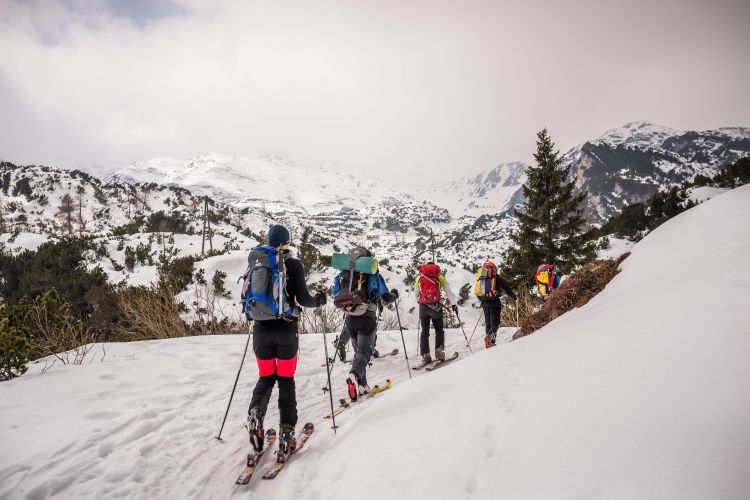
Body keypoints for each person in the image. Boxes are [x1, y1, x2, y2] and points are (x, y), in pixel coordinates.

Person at [246, 224, 326, 461]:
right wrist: (319, 300)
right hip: (286, 332)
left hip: (260, 331)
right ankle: (287, 434)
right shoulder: (294, 264)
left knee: (266, 378)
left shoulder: (257, 263)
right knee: (286, 380)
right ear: (286, 242)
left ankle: (255, 413)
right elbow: (305, 299)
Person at [332, 246, 396, 400]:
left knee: (358, 353)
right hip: (366, 318)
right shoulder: (373, 274)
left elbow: (336, 294)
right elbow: (386, 297)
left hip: (350, 318)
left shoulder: (343, 274)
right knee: (364, 352)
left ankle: (362, 386)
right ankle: (354, 375)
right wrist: (394, 294)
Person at [414, 262, 457, 365]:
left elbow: (416, 294)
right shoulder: (440, 277)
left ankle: (425, 355)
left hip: (423, 307)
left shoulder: (420, 277)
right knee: (439, 331)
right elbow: (450, 293)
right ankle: (439, 352)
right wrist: (454, 304)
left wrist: (421, 301)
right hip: (436, 307)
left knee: (424, 332)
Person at [475, 260, 517, 347]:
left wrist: (483, 299)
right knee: (495, 323)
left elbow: (478, 292)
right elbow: (507, 289)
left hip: (484, 303)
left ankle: (490, 342)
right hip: (494, 303)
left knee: (488, 323)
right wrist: (515, 297)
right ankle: (490, 338)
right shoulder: (497, 278)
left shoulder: (482, 278)